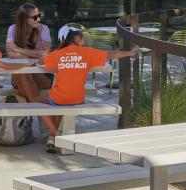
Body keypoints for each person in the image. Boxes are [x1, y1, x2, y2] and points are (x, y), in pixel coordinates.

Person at [36, 24, 135, 153]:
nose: (85, 40)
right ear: (76, 38)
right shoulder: (88, 52)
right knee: (57, 103)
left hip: (59, 98)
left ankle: (54, 134)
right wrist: (130, 53)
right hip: (78, 99)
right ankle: (52, 137)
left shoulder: (58, 54)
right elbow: (111, 54)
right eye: (83, 37)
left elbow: (40, 63)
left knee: (37, 100)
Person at [5, 2, 52, 101]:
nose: (38, 19)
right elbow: (10, 54)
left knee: (23, 83)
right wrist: (33, 57)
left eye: (39, 15)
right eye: (35, 17)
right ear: (24, 19)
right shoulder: (13, 29)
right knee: (23, 74)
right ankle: (37, 106)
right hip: (20, 73)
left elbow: (45, 54)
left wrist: (19, 50)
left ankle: (30, 108)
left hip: (41, 74)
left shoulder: (44, 29)